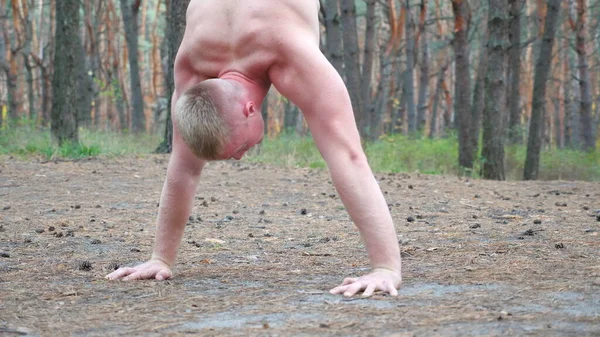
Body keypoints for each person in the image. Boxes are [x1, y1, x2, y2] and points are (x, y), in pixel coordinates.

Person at [106, 0, 402, 298]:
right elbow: (184, 167)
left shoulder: (292, 56)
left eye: (239, 146)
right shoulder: (192, 67)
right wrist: (160, 258)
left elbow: (348, 156)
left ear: (250, 109)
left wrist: (386, 268)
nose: (239, 156)